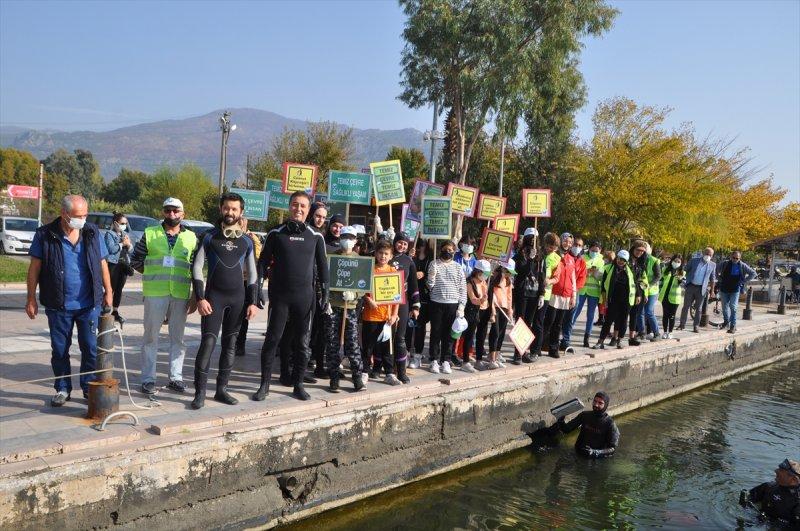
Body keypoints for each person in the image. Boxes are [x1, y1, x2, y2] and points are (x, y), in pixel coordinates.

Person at [26, 195, 113, 407]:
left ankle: (88, 387)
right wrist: (30, 298)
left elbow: (102, 263)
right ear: (64, 214)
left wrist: (108, 290)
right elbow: (34, 268)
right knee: (60, 350)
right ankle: (63, 389)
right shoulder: (45, 235)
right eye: (78, 216)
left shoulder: (92, 232)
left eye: (85, 215)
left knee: (90, 348)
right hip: (59, 305)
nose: (82, 220)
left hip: (88, 304)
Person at [254, 191, 328, 401]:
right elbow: (262, 263)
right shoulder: (276, 233)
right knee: (272, 340)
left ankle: (298, 385)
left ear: (308, 210)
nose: (299, 209)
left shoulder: (316, 236)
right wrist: (258, 288)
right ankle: (264, 385)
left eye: (303, 206)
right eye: (295, 205)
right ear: (289, 207)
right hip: (280, 298)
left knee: (303, 344)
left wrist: (325, 295)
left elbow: (323, 269)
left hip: (304, 300)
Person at [189, 193, 259, 409]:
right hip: (213, 299)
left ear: (241, 212)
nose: (230, 213)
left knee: (230, 346)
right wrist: (200, 298)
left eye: (234, 209)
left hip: (237, 301)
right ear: (221, 209)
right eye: (227, 208)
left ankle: (221, 390)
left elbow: (254, 274)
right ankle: (199, 393)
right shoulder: (209, 236)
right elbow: (197, 267)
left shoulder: (247, 241)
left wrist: (252, 302)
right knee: (208, 344)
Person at [130, 197, 198, 395]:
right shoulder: (150, 233)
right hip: (155, 293)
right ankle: (148, 379)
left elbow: (196, 267)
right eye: (168, 210)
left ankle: (175, 378)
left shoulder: (191, 238)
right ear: (163, 212)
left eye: (176, 211)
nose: (172, 214)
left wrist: (195, 295)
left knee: (178, 338)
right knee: (151, 337)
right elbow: (136, 260)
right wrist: (153, 274)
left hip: (180, 293)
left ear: (182, 214)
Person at [325, 226, 365, 392]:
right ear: (340, 238)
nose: (347, 240)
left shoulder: (361, 260)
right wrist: (325, 300)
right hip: (333, 308)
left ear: (355, 240)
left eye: (350, 237)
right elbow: (324, 281)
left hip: (351, 308)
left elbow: (363, 284)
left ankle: (357, 378)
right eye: (344, 237)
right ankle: (334, 378)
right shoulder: (331, 258)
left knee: (352, 344)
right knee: (333, 344)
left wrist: (355, 295)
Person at [362, 240, 401, 384]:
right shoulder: (369, 269)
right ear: (376, 254)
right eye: (380, 253)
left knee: (387, 347)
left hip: (387, 317)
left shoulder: (394, 272)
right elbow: (362, 290)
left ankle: (389, 373)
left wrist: (394, 314)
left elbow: (397, 297)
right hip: (371, 316)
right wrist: (368, 300)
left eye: (386, 254)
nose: (383, 256)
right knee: (368, 346)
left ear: (391, 256)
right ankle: (365, 371)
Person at [427, 240, 467, 374]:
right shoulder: (434, 264)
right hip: (436, 303)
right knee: (435, 333)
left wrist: (461, 306)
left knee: (449, 335)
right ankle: (434, 360)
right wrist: (431, 276)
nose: (448, 252)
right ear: (440, 250)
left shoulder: (457, 267)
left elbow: (463, 288)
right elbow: (430, 286)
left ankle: (446, 360)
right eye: (445, 249)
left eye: (451, 250)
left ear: (454, 252)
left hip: (453, 304)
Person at [539, 232, 577, 358]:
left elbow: (573, 278)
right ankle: (538, 346)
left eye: (570, 242)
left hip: (566, 295)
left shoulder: (572, 259)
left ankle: (553, 348)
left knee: (559, 324)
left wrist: (574, 295)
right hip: (553, 293)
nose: (568, 244)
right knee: (548, 321)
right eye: (566, 241)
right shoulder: (554, 255)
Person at [389, 231, 420, 383]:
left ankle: (401, 371)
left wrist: (415, 306)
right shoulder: (385, 255)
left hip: (402, 302)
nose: (401, 245)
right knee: (383, 336)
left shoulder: (409, 261)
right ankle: (381, 368)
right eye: (399, 242)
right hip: (384, 301)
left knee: (400, 337)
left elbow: (414, 284)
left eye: (405, 244)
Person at [555, 391, 620, 458]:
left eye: (600, 403)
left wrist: (595, 452)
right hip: (577, 452)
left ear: (605, 405)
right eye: (595, 401)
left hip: (595, 459)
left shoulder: (610, 424)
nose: (596, 405)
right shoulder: (584, 415)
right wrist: (561, 421)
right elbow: (566, 429)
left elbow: (612, 448)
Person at [512, 230, 544, 362]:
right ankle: (517, 353)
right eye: (530, 238)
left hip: (534, 294)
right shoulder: (520, 255)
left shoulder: (540, 257)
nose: (532, 241)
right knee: (520, 323)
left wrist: (542, 294)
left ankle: (524, 349)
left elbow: (542, 276)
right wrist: (529, 260)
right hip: (522, 293)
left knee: (529, 323)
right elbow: (521, 272)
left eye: (535, 238)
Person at [593, 250, 636, 349]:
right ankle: (600, 341)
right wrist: (604, 300)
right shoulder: (608, 268)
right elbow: (604, 286)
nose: (621, 261)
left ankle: (619, 341)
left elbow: (635, 285)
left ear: (627, 261)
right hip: (613, 299)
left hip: (626, 300)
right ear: (616, 258)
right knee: (608, 321)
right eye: (620, 259)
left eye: (624, 260)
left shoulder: (630, 271)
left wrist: (637, 296)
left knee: (623, 321)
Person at [234, 217, 263, 357]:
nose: (240, 225)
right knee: (233, 314)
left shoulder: (251, 239)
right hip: (234, 280)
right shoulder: (231, 236)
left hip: (246, 281)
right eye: (239, 223)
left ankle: (240, 344)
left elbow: (257, 256)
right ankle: (233, 341)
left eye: (242, 223)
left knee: (244, 315)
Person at [740, 459, 800, 526]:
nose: (776, 471)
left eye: (781, 470)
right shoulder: (768, 487)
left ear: (794, 480)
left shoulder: (797, 501)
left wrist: (771, 522)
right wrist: (745, 504)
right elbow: (749, 498)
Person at [530, 232, 561, 357]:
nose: (551, 249)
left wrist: (550, 281)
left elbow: (557, 277)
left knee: (538, 322)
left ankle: (536, 349)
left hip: (545, 294)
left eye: (554, 247)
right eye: (549, 246)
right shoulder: (538, 252)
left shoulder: (557, 258)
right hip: (532, 290)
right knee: (529, 321)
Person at [571, 240, 604, 347]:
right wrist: (587, 272)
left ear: (599, 251)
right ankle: (568, 333)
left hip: (594, 292)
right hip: (582, 289)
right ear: (589, 249)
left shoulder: (601, 260)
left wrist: (595, 273)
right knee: (575, 311)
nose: (594, 252)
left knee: (590, 315)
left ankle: (587, 337)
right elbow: (578, 271)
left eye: (596, 251)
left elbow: (601, 276)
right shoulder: (583, 258)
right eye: (592, 250)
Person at [461, 259, 491, 372]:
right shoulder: (470, 282)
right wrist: (481, 300)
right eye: (485, 273)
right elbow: (473, 299)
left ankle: (479, 360)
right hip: (473, 311)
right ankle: (465, 361)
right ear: (478, 271)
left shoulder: (484, 282)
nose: (486, 276)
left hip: (484, 311)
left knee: (481, 336)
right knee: (469, 336)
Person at [716, 250, 756, 333]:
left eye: (737, 258)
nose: (735, 260)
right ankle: (726, 322)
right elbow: (715, 269)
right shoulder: (725, 263)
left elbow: (753, 273)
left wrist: (744, 281)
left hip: (735, 289)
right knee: (724, 308)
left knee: (733, 307)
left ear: (739, 258)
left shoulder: (742, 265)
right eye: (733, 258)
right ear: (731, 257)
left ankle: (733, 326)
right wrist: (719, 278)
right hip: (724, 288)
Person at [678, 247, 717, 333]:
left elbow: (712, 279)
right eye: (706, 253)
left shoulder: (712, 265)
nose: (708, 256)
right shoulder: (694, 261)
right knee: (685, 307)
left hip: (701, 289)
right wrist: (684, 280)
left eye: (710, 254)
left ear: (712, 255)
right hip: (690, 286)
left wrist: (712, 291)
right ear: (703, 253)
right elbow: (685, 270)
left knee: (698, 309)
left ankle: (696, 326)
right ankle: (682, 324)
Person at [104, 212, 132, 326]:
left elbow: (131, 249)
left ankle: (115, 311)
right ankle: (104, 309)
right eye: (122, 223)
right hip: (113, 264)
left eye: (125, 223)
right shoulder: (109, 234)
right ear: (115, 223)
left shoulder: (125, 234)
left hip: (123, 264)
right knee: (111, 288)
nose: (124, 225)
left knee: (119, 289)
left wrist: (128, 245)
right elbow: (111, 249)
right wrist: (122, 244)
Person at [559, 236, 587, 350]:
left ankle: (566, 340)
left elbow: (582, 278)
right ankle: (554, 338)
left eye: (580, 245)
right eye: (575, 244)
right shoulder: (565, 256)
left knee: (570, 318)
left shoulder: (582, 261)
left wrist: (574, 289)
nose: (577, 247)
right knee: (559, 316)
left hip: (575, 293)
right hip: (562, 290)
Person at [409, 238, 433, 368]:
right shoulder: (411, 256)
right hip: (411, 295)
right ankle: (407, 353)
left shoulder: (431, 259)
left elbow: (433, 274)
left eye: (423, 245)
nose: (421, 248)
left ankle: (417, 354)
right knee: (409, 326)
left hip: (424, 296)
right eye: (419, 245)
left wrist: (424, 273)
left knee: (420, 327)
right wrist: (410, 256)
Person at [488, 259, 515, 368]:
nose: (510, 274)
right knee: (495, 331)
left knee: (502, 332)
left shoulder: (508, 280)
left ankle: (497, 354)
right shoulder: (495, 278)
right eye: (508, 271)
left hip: (504, 308)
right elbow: (491, 293)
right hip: (496, 307)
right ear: (504, 269)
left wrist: (510, 311)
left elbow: (509, 296)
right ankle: (492, 358)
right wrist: (493, 310)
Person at [627, 240, 652, 346]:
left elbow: (644, 280)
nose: (640, 253)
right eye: (638, 250)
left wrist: (645, 293)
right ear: (633, 249)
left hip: (639, 293)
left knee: (635, 315)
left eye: (642, 251)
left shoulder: (642, 262)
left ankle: (631, 338)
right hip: (627, 291)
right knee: (622, 316)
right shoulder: (627, 260)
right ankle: (616, 337)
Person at [636, 241, 662, 341]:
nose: (642, 251)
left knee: (649, 311)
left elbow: (658, 276)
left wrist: (648, 285)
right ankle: (642, 332)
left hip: (652, 290)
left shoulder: (654, 260)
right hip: (641, 290)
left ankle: (657, 333)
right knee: (640, 312)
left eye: (644, 249)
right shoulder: (638, 259)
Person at [659, 254, 684, 339]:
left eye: (678, 262)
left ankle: (670, 332)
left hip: (675, 298)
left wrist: (680, 280)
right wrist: (659, 291)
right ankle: (665, 332)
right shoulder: (665, 269)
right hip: (665, 296)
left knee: (672, 315)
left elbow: (684, 284)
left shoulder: (682, 272)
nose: (676, 263)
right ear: (672, 261)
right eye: (675, 261)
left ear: (681, 263)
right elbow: (661, 281)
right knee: (665, 315)